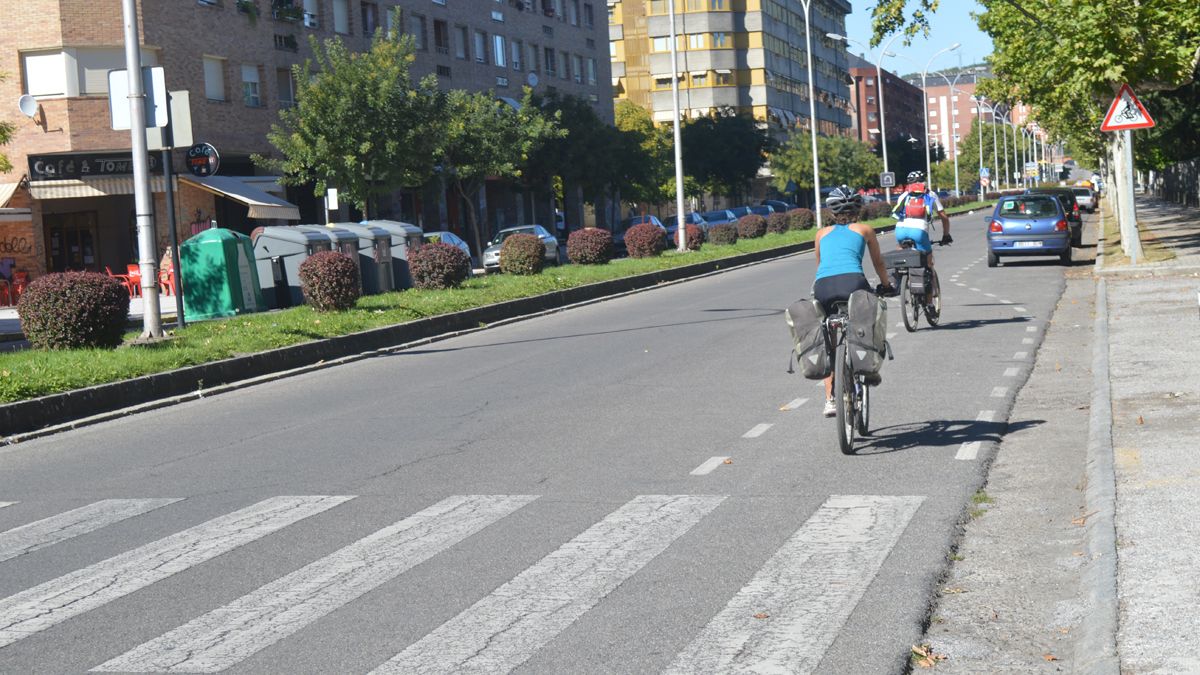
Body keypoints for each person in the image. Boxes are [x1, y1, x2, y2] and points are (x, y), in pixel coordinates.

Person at [813, 186, 894, 417]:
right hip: (853, 283)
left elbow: (820, 265)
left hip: (823, 287)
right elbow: (878, 263)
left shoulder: (821, 233)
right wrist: (886, 286)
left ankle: (830, 399)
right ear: (858, 208)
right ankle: (869, 368)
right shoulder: (865, 229)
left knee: (829, 342)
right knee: (870, 320)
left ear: (831, 211)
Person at [891, 170, 952, 270]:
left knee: (900, 252)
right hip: (919, 231)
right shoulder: (930, 194)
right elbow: (944, 218)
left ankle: (899, 279)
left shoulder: (903, 196)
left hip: (900, 230)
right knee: (928, 263)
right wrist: (946, 235)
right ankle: (932, 284)